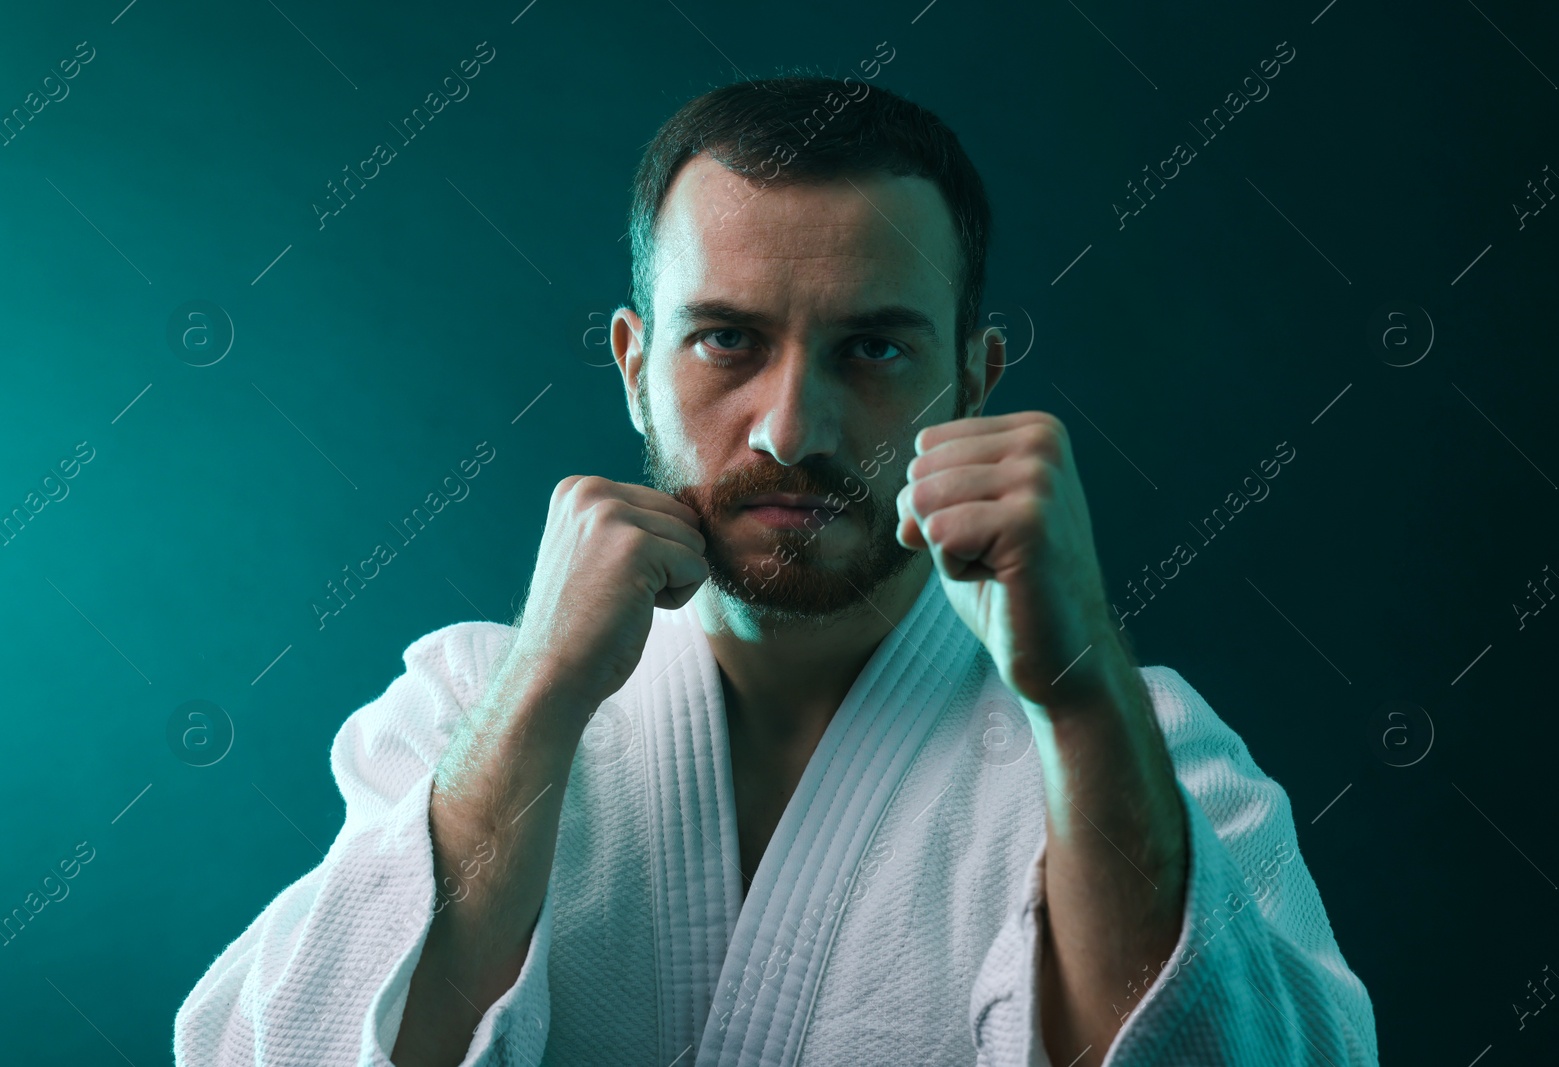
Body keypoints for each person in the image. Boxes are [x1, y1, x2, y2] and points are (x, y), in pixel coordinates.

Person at [174, 74, 1377, 1066]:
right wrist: (540, 692)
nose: (792, 426)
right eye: (727, 340)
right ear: (635, 363)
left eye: (872, 348)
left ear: (976, 378)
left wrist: (1077, 691)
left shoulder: (1138, 742)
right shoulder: (464, 705)